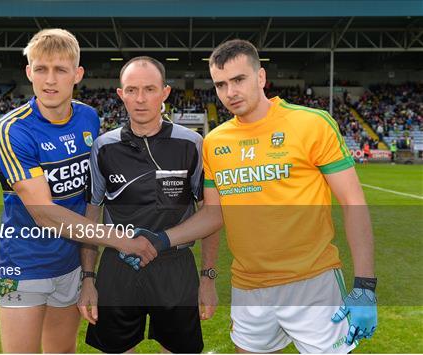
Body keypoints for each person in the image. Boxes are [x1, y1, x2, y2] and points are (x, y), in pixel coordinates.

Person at [134, 39, 377, 353]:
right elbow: (212, 214)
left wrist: (365, 285)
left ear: (260, 77)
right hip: (249, 288)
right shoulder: (215, 142)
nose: (230, 92)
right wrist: (160, 240)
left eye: (238, 80)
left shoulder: (312, 124)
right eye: (221, 84)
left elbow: (353, 202)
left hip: (312, 284)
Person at [0, 29, 157, 354]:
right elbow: (44, 212)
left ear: (77, 75)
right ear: (29, 72)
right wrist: (122, 239)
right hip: (25, 264)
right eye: (41, 69)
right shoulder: (12, 129)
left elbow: (94, 192)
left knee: (63, 351)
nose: (49, 80)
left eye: (60, 70)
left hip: (71, 263)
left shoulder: (88, 118)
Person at [78, 56, 220, 353]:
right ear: (120, 94)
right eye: (131, 90)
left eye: (149, 89)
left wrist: (207, 278)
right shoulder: (103, 147)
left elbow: (211, 213)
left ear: (165, 92)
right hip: (118, 268)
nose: (140, 99)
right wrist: (88, 279)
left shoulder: (192, 144)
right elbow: (92, 213)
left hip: (175, 269)